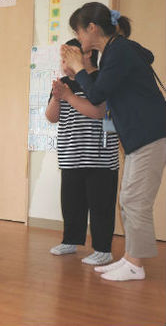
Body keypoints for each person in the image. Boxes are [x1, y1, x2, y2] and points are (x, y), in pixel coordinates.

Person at [61, 2, 166, 281]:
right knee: (128, 199)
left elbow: (95, 97)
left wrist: (78, 67)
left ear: (92, 28)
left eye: (79, 31)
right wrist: (81, 70)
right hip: (140, 135)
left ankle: (135, 264)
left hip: (148, 133)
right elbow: (106, 84)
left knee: (135, 201)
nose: (79, 38)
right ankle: (131, 259)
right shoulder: (116, 51)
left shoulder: (117, 51)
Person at [47, 38, 119, 266]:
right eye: (63, 57)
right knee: (71, 203)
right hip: (70, 154)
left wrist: (69, 96)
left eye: (68, 55)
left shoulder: (100, 79)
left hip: (101, 157)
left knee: (101, 205)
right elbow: (51, 117)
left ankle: (103, 249)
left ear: (86, 55)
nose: (64, 61)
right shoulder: (64, 83)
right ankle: (70, 240)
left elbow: (99, 112)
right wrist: (58, 97)